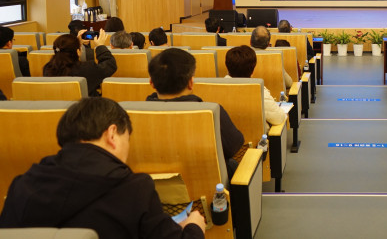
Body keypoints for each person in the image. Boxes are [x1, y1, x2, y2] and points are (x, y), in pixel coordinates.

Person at [0, 97, 206, 238]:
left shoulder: (22, 185)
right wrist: (194, 227)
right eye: (127, 139)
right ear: (112, 134)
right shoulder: (134, 190)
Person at [146, 48, 244, 180]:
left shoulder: (132, 115)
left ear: (151, 83)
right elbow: (234, 146)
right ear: (191, 83)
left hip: (152, 187)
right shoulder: (211, 112)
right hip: (207, 188)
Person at [225, 45, 286, 131]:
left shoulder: (214, 89)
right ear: (253, 71)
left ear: (227, 68)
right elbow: (279, 118)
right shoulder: (258, 91)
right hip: (258, 138)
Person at [43, 31, 116, 96]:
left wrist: (77, 43)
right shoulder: (87, 69)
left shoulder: (48, 69)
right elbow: (110, 64)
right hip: (85, 105)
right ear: (78, 52)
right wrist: (100, 46)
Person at [250, 25, 293, 90]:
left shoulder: (243, 56)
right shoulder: (274, 58)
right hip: (275, 96)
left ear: (250, 42)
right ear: (268, 45)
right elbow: (289, 83)